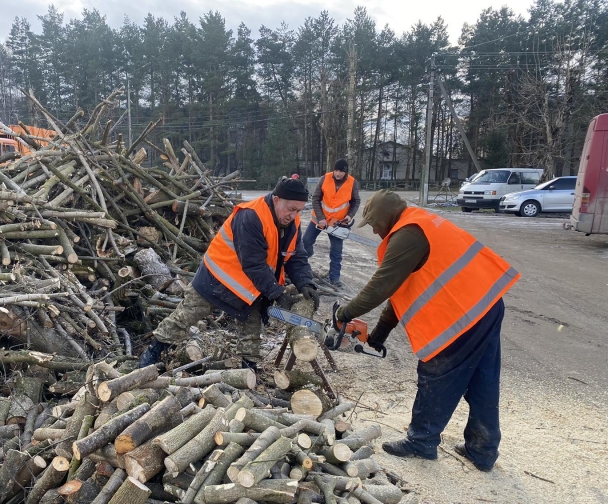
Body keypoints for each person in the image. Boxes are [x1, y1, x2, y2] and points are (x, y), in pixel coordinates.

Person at [333, 190, 519, 471]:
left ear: (385, 217)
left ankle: (422, 441)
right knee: (483, 379)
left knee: (436, 374)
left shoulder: (407, 235)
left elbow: (382, 286)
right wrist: (380, 334)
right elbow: (402, 290)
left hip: (463, 315)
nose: (373, 230)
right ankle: (482, 450)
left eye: (373, 223)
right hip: (486, 303)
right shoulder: (419, 223)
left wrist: (344, 314)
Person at [139, 178, 320, 372]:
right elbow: (253, 263)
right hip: (218, 279)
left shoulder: (292, 222)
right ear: (276, 200)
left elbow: (295, 255)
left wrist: (305, 283)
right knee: (186, 316)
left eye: (298, 210)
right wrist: (277, 293)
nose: (293, 215)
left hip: (250, 285)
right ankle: (152, 354)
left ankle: (246, 371)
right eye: (291, 209)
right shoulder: (251, 216)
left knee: (251, 330)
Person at [302, 158, 361, 289]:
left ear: (346, 172)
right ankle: (301, 267)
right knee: (305, 241)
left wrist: (350, 216)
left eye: (341, 171)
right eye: (336, 170)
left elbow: (356, 201)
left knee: (336, 251)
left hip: (337, 223)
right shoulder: (324, 179)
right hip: (319, 218)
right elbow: (316, 199)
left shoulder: (353, 183)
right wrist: (320, 217)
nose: (338, 173)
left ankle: (334, 277)